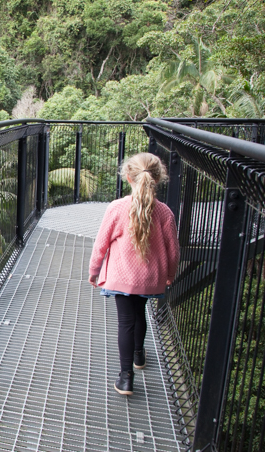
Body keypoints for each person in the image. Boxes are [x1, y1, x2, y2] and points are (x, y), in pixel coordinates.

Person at [88, 152, 179, 396]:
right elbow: (173, 250)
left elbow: (101, 244)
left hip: (122, 276)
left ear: (128, 177)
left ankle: (126, 377)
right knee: (140, 313)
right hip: (150, 279)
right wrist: (169, 274)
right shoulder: (165, 213)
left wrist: (94, 271)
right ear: (158, 179)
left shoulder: (117, 208)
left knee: (126, 322)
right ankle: (139, 354)